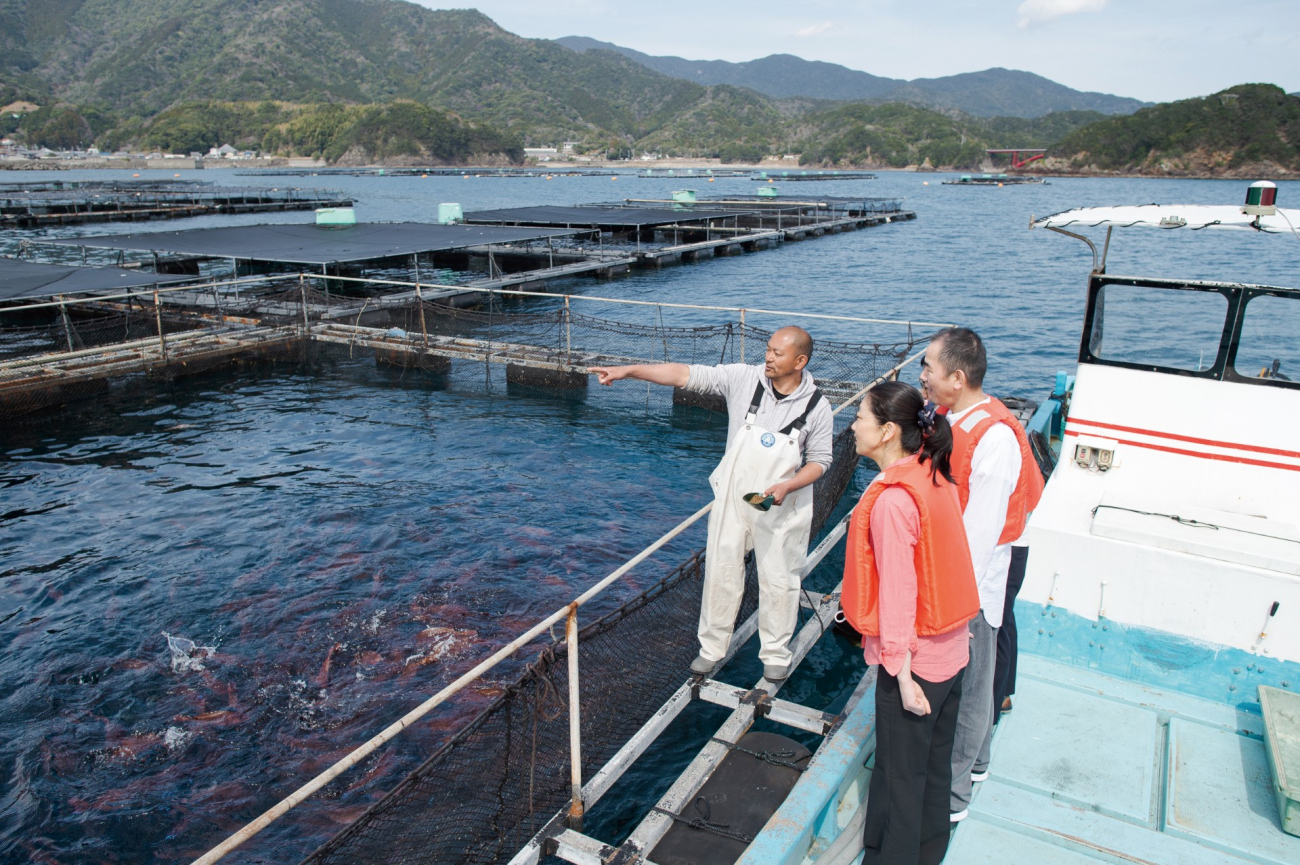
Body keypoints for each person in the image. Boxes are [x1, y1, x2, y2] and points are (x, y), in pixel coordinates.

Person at [592, 326, 832, 682]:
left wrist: (788, 485)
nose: (767, 357)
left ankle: (776, 652)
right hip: (734, 501)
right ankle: (712, 648)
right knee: (721, 571)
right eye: (767, 349)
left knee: (779, 579)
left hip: (782, 505)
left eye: (777, 354)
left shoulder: (818, 407)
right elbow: (683, 374)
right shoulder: (742, 379)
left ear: (800, 361)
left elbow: (821, 460)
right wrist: (629, 371)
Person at [841, 380, 980, 865]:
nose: (853, 425)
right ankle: (928, 853)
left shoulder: (894, 501)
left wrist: (900, 676)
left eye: (859, 417)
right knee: (934, 769)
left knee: (900, 778)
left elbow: (899, 595)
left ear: (884, 432)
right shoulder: (932, 474)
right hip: (953, 652)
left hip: (916, 666)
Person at [918, 327, 1044, 821]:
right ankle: (980, 762)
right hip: (966, 561)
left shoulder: (993, 438)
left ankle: (955, 795)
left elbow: (981, 531)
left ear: (957, 377)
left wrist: (949, 598)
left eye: (928, 367)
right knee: (978, 669)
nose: (921, 376)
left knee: (973, 677)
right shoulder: (954, 415)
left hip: (983, 568)